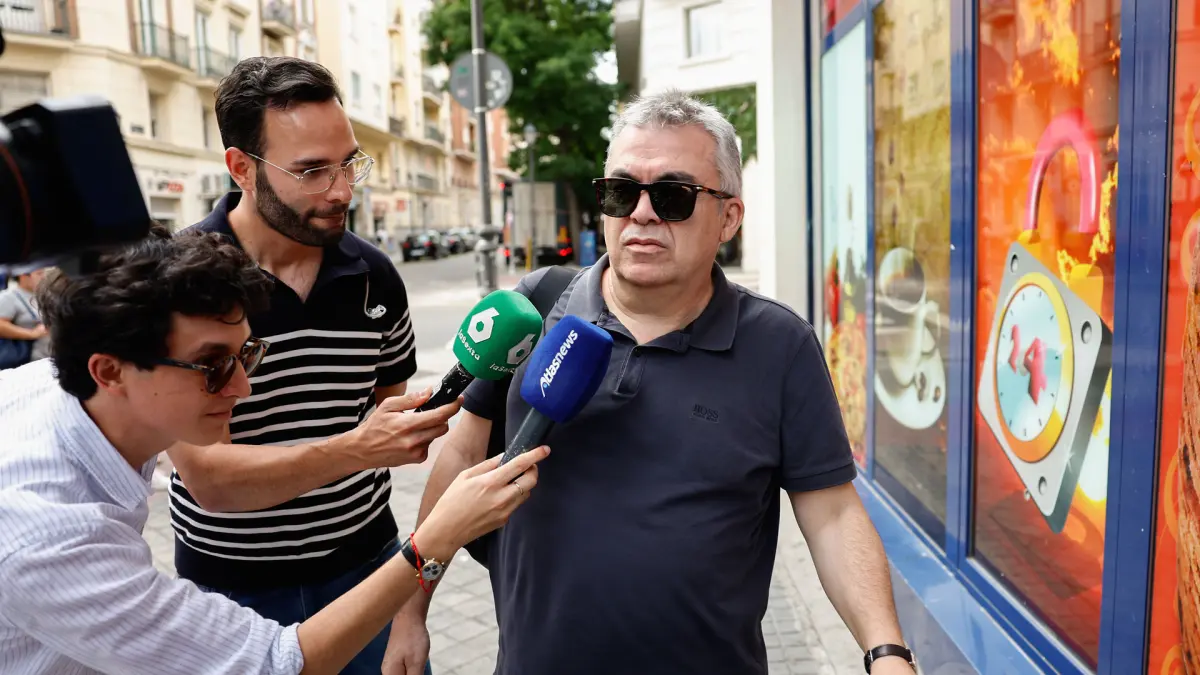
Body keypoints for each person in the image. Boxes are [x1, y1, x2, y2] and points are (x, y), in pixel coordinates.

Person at [385, 90, 919, 675]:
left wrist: (887, 652)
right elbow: (462, 454)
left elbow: (833, 514)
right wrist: (411, 610)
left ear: (728, 217)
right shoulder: (535, 307)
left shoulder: (780, 344)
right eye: (621, 191)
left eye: (672, 195)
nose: (641, 213)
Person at [0, 225, 548, 674]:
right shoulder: (50, 534)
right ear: (109, 371)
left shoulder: (62, 393)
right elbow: (277, 664)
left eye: (246, 354)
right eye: (212, 366)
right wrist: (436, 538)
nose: (242, 388)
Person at [167, 56, 439, 675]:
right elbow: (211, 480)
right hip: (233, 591)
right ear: (241, 167)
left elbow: (385, 417)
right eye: (312, 170)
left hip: (368, 568)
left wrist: (407, 600)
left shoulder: (374, 276)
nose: (341, 191)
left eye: (348, 163)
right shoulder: (180, 283)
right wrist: (359, 448)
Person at [0, 265, 51, 368]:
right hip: (26, 360)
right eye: (39, 273)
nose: (43, 277)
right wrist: (32, 334)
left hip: (45, 356)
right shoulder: (8, 297)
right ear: (23, 275)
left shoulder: (43, 295)